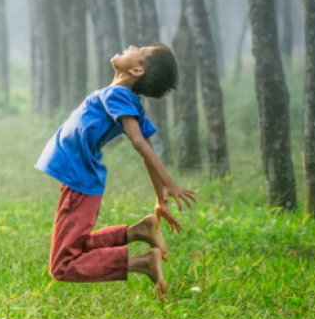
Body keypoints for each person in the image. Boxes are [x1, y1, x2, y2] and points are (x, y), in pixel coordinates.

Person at [34, 44, 197, 300]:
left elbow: (140, 142)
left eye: (139, 49)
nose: (132, 46)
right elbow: (146, 148)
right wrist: (160, 200)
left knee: (63, 265)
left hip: (79, 179)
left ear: (136, 69)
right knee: (76, 246)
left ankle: (142, 263)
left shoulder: (120, 95)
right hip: (80, 177)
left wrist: (169, 183)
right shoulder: (123, 98)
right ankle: (138, 232)